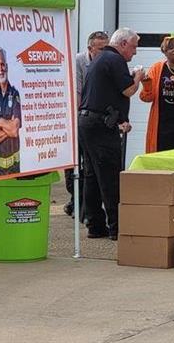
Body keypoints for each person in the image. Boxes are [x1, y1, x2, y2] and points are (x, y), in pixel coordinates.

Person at [78, 28, 144, 240]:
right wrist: (138, 78)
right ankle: (117, 228)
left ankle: (95, 225)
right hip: (100, 127)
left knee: (92, 175)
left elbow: (108, 92)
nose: (134, 52)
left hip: (88, 123)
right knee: (109, 176)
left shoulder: (101, 58)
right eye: (133, 47)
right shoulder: (115, 60)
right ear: (123, 44)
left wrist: (121, 119)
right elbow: (127, 90)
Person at [64, 30, 109, 217]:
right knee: (74, 163)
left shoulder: (107, 62)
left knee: (90, 166)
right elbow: (77, 94)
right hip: (77, 119)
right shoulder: (79, 62)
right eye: (101, 49)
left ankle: (82, 205)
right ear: (90, 48)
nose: (105, 53)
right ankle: (76, 200)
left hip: (94, 120)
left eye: (107, 48)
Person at [0, 47, 22, 177]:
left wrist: (0, 121)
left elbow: (14, 130)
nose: (0, 68)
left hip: (15, 167)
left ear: (6, 66)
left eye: (2, 64)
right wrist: (9, 126)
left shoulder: (14, 94)